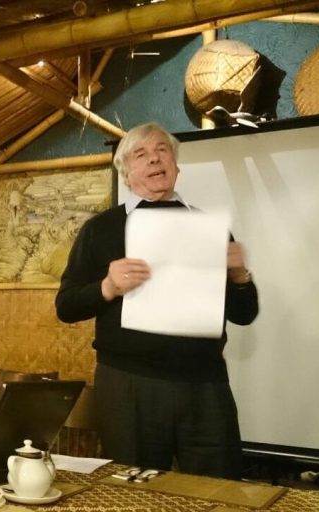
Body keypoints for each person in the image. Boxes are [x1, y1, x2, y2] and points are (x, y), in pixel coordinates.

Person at [55, 122, 258, 480]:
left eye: (162, 150)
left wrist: (240, 274)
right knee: (135, 493)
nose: (154, 159)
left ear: (176, 166)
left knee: (219, 489)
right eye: (141, 154)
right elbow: (66, 306)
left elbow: (244, 314)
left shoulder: (208, 227)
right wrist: (107, 286)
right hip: (129, 385)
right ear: (126, 173)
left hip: (206, 385)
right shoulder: (101, 229)